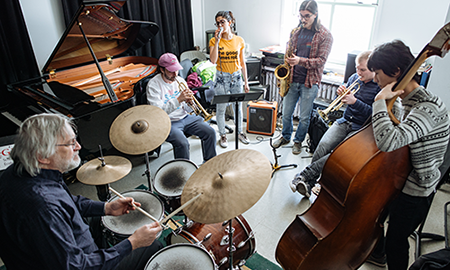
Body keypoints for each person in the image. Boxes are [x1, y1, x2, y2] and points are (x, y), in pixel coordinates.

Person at [0, 113, 163, 270]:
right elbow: (75, 266)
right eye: (70, 143)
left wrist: (106, 208)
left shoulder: (18, 172)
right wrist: (133, 243)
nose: (78, 147)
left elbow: (65, 201)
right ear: (42, 155)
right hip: (79, 263)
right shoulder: (42, 207)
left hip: (47, 252)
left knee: (98, 222)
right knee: (153, 246)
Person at [365, 40, 449, 269]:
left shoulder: (428, 108)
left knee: (396, 242)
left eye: (377, 73)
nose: (374, 79)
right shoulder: (406, 102)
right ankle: (377, 254)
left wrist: (379, 103)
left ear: (396, 72)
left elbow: (388, 141)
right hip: (398, 179)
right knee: (377, 221)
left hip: (416, 189)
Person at [290, 50, 381, 197]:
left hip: (360, 129)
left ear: (373, 70)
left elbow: (374, 115)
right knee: (322, 146)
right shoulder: (354, 78)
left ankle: (306, 177)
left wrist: (355, 102)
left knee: (336, 155)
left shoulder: (379, 87)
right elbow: (343, 95)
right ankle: (309, 184)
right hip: (344, 121)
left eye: (362, 70)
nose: (358, 72)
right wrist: (340, 93)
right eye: (357, 68)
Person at [272, 0, 333, 155]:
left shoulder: (325, 35)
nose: (303, 19)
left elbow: (321, 62)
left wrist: (300, 61)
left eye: (307, 16)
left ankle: (298, 141)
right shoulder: (296, 31)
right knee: (286, 114)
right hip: (292, 79)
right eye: (301, 16)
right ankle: (285, 136)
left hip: (310, 82)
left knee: (304, 118)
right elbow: (289, 52)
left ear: (315, 14)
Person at [147, 52, 217, 162]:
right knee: (182, 143)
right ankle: (183, 172)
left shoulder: (179, 80)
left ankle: (209, 163)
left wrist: (189, 103)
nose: (175, 74)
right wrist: (178, 99)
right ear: (162, 69)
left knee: (210, 132)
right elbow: (157, 112)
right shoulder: (153, 85)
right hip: (167, 121)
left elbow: (187, 109)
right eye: (171, 71)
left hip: (184, 117)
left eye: (176, 70)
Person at [209, 10, 250, 148]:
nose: (220, 25)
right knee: (221, 109)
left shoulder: (239, 40)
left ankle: (239, 132)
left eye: (222, 22)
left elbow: (243, 62)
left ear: (230, 22)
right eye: (217, 23)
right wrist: (217, 41)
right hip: (221, 78)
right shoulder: (214, 40)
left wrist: (246, 81)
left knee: (237, 108)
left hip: (236, 77)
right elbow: (213, 61)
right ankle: (223, 135)